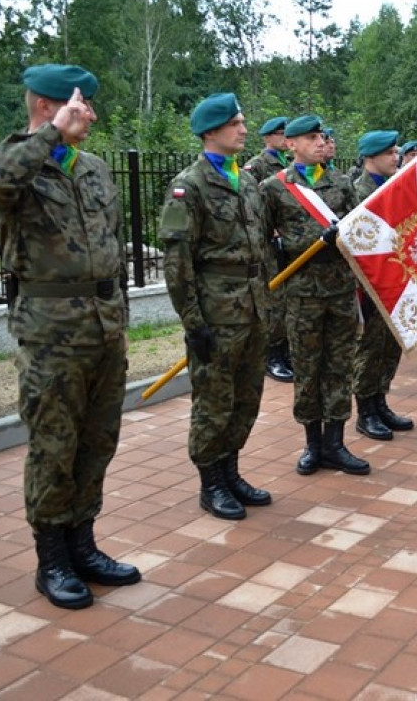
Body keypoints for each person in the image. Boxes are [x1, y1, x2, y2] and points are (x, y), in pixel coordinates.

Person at [0, 64, 141, 609]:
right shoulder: (14, 168)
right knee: (54, 445)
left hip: (104, 327)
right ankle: (51, 559)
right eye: (83, 105)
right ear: (49, 107)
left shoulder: (94, 169)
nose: (92, 115)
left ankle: (84, 545)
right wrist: (49, 135)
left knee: (98, 441)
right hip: (51, 332)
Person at [159, 92, 273, 521]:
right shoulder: (186, 187)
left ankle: (231, 471)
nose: (244, 129)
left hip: (253, 308)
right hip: (216, 312)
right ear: (210, 131)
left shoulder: (245, 182)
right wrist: (193, 322)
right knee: (214, 401)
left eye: (243, 122)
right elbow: (175, 260)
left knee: (247, 397)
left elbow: (261, 247)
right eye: (235, 123)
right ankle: (211, 483)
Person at [260, 115, 370, 476]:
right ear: (291, 144)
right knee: (307, 369)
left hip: (339, 289)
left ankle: (335, 444)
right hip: (302, 294)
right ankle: (312, 445)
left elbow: (360, 229)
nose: (321, 142)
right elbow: (264, 242)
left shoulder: (341, 183)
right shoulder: (274, 188)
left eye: (322, 136)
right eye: (311, 138)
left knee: (339, 367)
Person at [350, 130, 415, 440]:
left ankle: (380, 401)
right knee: (370, 348)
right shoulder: (358, 191)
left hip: (396, 281)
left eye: (396, 152)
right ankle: (365, 410)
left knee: (390, 346)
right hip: (370, 284)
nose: (396, 157)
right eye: (389, 153)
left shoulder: (394, 187)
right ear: (370, 157)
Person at [244, 116, 295, 384]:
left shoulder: (290, 164)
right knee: (275, 300)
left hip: (289, 242)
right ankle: (272, 355)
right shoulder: (258, 164)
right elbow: (251, 202)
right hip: (269, 245)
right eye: (279, 134)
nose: (284, 138)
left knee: (287, 299)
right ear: (267, 138)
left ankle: (285, 352)